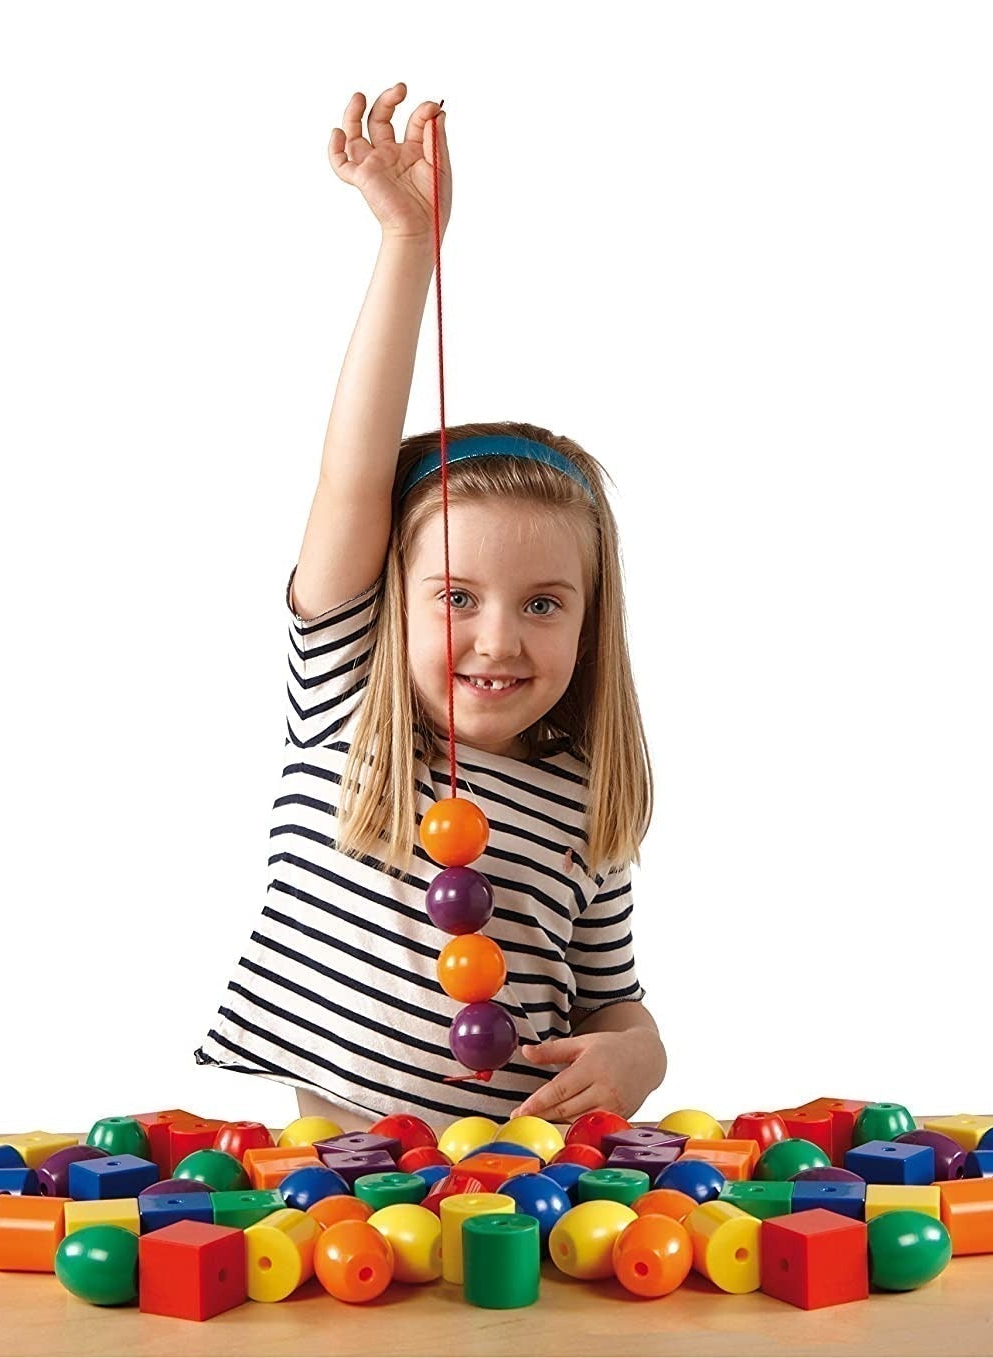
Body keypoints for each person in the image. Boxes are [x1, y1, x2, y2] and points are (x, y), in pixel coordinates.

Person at [194, 83, 665, 1133]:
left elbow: (610, 996)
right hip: (338, 1192)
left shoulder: (588, 799)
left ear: (591, 622)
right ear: (391, 604)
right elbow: (353, 481)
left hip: (522, 1191)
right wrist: (410, 243)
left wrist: (641, 1049)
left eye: (544, 602)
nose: (499, 637)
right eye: (457, 595)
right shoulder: (345, 697)